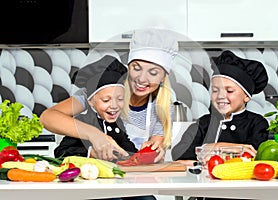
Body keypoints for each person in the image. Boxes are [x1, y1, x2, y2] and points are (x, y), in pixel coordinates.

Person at [40, 28, 178, 162]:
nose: (141, 79)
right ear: (128, 67)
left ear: (163, 77)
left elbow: (154, 144)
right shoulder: (102, 88)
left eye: (153, 73)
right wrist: (95, 134)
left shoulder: (163, 107)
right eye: (136, 68)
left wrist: (154, 151)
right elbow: (48, 118)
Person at [172, 50, 270, 166]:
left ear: (246, 97)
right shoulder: (204, 123)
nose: (220, 96)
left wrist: (208, 150)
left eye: (229, 91)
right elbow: (178, 153)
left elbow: (255, 154)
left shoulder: (257, 123)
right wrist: (218, 147)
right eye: (215, 90)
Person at [53, 55, 138, 159]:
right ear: (90, 102)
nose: (114, 106)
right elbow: (60, 152)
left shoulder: (118, 124)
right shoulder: (82, 122)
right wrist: (90, 153)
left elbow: (128, 149)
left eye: (120, 99)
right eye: (106, 100)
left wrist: (141, 156)